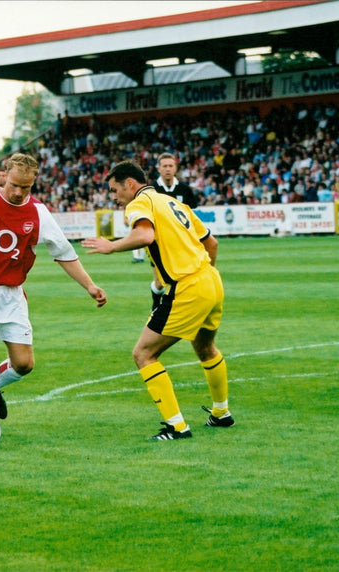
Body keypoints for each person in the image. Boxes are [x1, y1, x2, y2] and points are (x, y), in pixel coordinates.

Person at [0, 153, 107, 420]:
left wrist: (89, 285)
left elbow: (63, 252)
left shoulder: (38, 213)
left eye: (26, 187)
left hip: (10, 294)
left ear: (34, 183)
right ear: (4, 175)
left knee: (23, 364)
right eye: (14, 185)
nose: (19, 192)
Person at [81, 160, 233, 441]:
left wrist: (111, 246)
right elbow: (211, 244)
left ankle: (176, 426)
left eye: (115, 191)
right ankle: (221, 413)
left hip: (188, 287)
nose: (115, 198)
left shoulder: (140, 202)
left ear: (130, 183)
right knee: (205, 347)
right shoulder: (172, 202)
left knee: (143, 354)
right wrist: (203, 276)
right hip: (212, 280)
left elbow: (144, 234)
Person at [148, 152, 202, 307]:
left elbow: (193, 217)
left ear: (175, 168)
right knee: (160, 282)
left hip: (182, 242)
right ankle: (156, 303)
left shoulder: (185, 190)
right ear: (158, 168)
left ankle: (176, 308)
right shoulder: (152, 189)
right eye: (164, 166)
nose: (167, 169)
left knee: (182, 278)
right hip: (158, 242)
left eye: (170, 166)